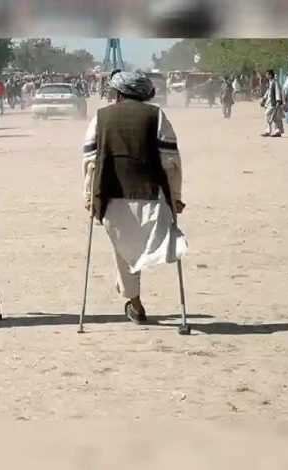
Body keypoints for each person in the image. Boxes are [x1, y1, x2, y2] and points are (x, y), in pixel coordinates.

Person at [81, 71, 187, 324]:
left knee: (123, 249)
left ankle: (135, 301)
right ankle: (134, 300)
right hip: (151, 196)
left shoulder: (100, 117)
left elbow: (90, 162)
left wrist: (89, 197)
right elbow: (170, 161)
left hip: (112, 196)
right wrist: (175, 196)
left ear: (118, 93)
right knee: (146, 246)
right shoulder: (156, 116)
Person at [260, 69, 284, 137]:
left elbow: (278, 92)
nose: (266, 75)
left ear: (270, 75)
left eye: (267, 74)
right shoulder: (270, 82)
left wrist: (278, 101)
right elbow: (268, 91)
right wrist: (264, 99)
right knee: (275, 118)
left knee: (268, 115)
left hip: (274, 103)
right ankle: (277, 131)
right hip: (269, 102)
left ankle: (269, 131)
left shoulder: (275, 82)